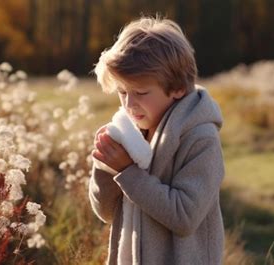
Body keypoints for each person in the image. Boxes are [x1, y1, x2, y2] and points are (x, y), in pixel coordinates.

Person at [89, 16, 225, 265]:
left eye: (140, 93)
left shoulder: (201, 139)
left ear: (177, 89)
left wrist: (127, 171)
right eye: (122, 92)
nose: (129, 105)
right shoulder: (132, 132)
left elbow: (185, 217)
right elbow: (107, 213)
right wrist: (105, 165)